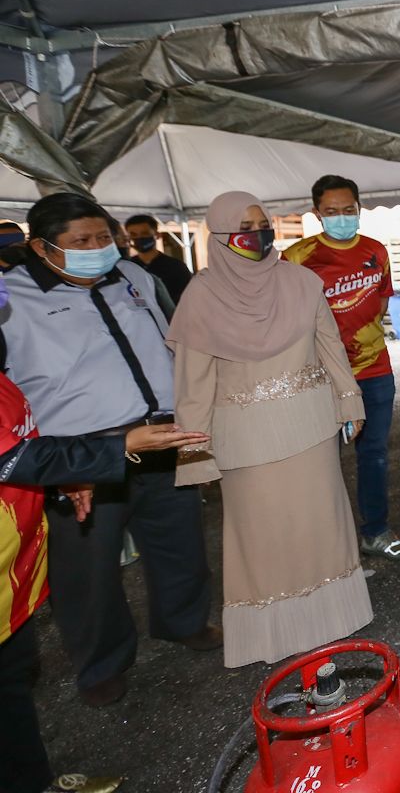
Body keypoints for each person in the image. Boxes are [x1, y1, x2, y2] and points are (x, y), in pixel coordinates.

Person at [1, 192, 220, 708]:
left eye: (104, 237)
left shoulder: (134, 277)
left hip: (158, 436)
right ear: (41, 246)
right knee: (88, 567)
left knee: (179, 539)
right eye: (82, 241)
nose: (98, 248)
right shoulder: (11, 297)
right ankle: (102, 663)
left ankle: (184, 622)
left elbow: (168, 343)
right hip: (77, 457)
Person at [169, 191, 374, 667]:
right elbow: (193, 384)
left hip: (312, 427)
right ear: (219, 235)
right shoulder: (200, 296)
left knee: (321, 523)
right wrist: (194, 454)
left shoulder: (301, 282)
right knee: (263, 537)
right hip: (245, 440)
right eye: (244, 225)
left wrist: (350, 401)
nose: (257, 233)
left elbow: (331, 348)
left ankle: (334, 620)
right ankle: (275, 635)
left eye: (263, 223)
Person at [0, 354, 207, 793]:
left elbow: (25, 447)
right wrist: (122, 445)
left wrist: (63, 476)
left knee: (11, 684)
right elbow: (12, 460)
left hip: (9, 576)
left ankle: (37, 783)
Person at [283, 175, 400, 558]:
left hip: (374, 370)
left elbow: (382, 302)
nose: (341, 218)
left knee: (373, 454)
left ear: (359, 209)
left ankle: (375, 531)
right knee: (322, 459)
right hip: (321, 374)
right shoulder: (296, 258)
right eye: (332, 212)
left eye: (348, 211)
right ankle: (327, 543)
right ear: (317, 213)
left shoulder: (376, 251)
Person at [125, 214, 193, 304]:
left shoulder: (176, 267)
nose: (139, 238)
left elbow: (189, 298)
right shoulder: (127, 267)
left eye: (145, 234)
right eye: (134, 235)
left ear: (157, 235)